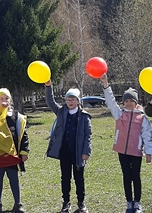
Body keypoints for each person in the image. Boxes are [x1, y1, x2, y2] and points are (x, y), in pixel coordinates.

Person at [100, 74, 152, 213]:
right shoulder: (119, 114)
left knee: (136, 176)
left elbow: (147, 136)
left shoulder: (142, 118)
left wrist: (148, 152)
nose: (128, 103)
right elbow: (110, 101)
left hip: (135, 152)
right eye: (126, 101)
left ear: (136, 102)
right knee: (126, 176)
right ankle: (129, 202)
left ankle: (137, 203)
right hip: (122, 151)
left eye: (131, 101)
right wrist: (106, 83)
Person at [45, 80, 92, 213]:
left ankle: (81, 203)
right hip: (64, 152)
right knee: (65, 177)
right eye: (68, 99)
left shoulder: (84, 116)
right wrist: (49, 87)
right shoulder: (61, 112)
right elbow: (50, 101)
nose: (70, 102)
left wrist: (86, 151)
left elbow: (88, 135)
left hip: (78, 153)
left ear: (78, 101)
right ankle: (66, 202)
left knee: (79, 179)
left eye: (73, 99)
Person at [0, 88, 30, 213]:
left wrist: (24, 151)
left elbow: (23, 135)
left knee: (14, 179)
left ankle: (18, 204)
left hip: (12, 154)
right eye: (1, 99)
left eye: (6, 98)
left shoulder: (16, 116)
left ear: (10, 100)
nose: (4, 101)